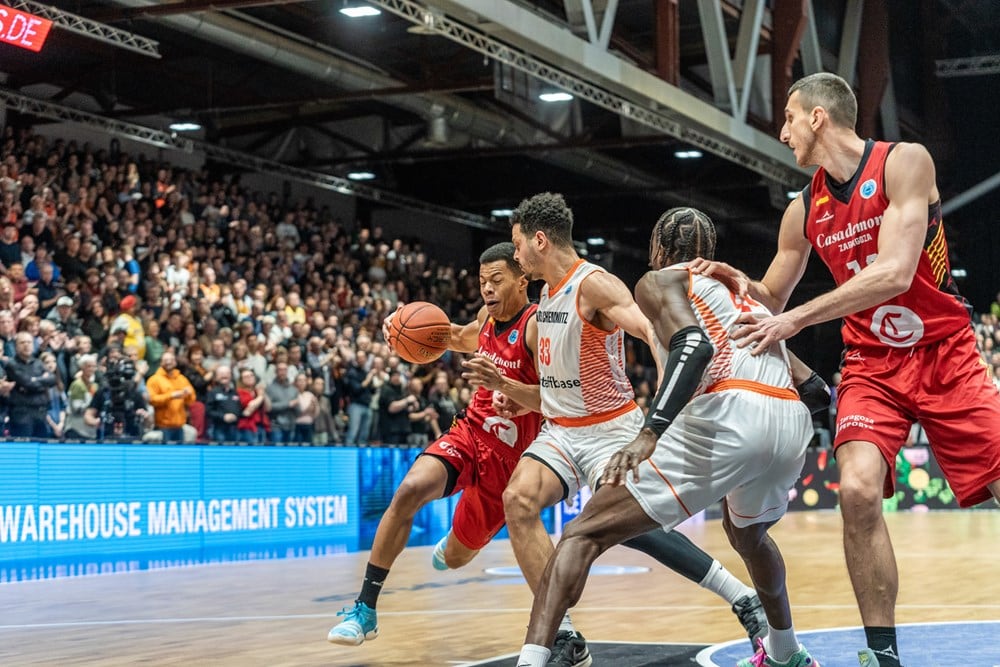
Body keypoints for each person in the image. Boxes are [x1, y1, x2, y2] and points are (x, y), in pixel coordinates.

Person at [689, 72, 1000, 667]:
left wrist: (796, 320)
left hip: (945, 352)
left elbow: (895, 272)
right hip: (871, 366)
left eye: (786, 118)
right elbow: (770, 300)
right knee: (856, 491)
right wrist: (737, 283)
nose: (781, 131)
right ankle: (882, 655)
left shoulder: (904, 162)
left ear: (816, 117)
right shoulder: (802, 210)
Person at [466, 193, 767, 667]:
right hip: (561, 431)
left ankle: (741, 596)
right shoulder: (545, 293)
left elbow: (649, 328)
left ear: (539, 240)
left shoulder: (596, 285)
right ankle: (564, 637)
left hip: (610, 429)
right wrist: (508, 387)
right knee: (517, 501)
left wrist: (678, 377)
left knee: (638, 530)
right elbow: (551, 388)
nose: (516, 253)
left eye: (518, 244)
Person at [327, 242, 545, 647]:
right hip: (469, 433)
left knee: (458, 557)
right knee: (408, 491)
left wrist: (510, 391)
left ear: (522, 279)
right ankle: (364, 610)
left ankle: (455, 544)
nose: (488, 290)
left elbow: (557, 396)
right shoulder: (484, 319)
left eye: (497, 280)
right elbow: (459, 336)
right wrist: (401, 325)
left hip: (509, 465)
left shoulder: (537, 326)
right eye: (482, 283)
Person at [146, 350, 196, 442]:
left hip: (179, 425)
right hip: (163, 426)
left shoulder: (181, 378)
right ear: (161, 362)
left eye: (171, 360)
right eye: (166, 360)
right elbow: (151, 400)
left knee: (179, 454)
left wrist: (188, 394)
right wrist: (171, 396)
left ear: (175, 362)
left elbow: (191, 400)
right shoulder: (154, 380)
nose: (168, 362)